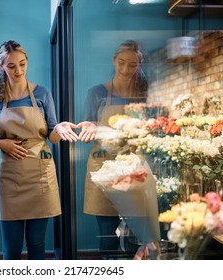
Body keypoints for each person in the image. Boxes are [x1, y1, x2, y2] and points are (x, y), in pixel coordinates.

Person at [0, 40, 78, 260]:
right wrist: (1, 144)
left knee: (37, 244)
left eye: (23, 64)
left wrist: (60, 128)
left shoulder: (42, 94)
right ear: (2, 67)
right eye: (12, 66)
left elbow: (52, 137)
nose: (19, 70)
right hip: (10, 175)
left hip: (40, 174)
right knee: (11, 248)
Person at [77, 39, 148, 258]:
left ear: (139, 65)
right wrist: (90, 128)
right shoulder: (96, 93)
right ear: (113, 61)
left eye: (132, 65)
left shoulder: (145, 94)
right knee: (107, 234)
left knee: (137, 235)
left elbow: (152, 130)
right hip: (103, 169)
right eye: (121, 62)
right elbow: (87, 129)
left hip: (135, 167)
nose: (126, 69)